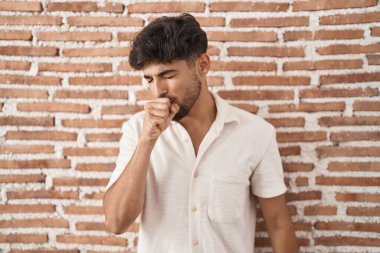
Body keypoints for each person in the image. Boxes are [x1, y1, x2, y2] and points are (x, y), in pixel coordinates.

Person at [103, 13, 299, 253]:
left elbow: (278, 224)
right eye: (149, 79)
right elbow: (116, 222)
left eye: (168, 75)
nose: (158, 91)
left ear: (203, 65)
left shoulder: (256, 134)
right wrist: (147, 142)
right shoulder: (136, 130)